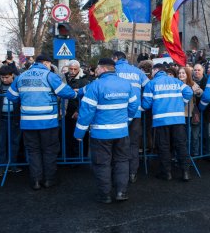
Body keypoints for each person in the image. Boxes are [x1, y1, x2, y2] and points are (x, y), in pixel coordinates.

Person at [6, 54, 77, 190]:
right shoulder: (49, 75)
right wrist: (75, 94)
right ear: (46, 63)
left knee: (33, 151)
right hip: (47, 122)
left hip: (28, 122)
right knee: (49, 151)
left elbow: (11, 96)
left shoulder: (22, 76)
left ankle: (36, 181)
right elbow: (66, 92)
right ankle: (49, 180)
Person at [74, 58, 138, 203]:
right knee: (122, 161)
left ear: (102, 69)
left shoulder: (95, 85)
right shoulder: (126, 84)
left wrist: (79, 133)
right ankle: (121, 192)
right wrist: (126, 121)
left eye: (97, 68)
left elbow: (86, 112)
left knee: (102, 163)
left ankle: (105, 195)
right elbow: (134, 106)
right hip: (121, 132)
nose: (96, 71)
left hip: (100, 134)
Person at [142, 63, 193, 182]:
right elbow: (189, 92)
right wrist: (182, 103)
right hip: (178, 119)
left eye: (152, 71)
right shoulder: (175, 81)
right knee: (181, 145)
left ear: (155, 70)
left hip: (161, 120)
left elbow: (146, 104)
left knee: (164, 147)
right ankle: (185, 172)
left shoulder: (151, 84)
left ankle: (167, 173)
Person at [112, 51, 149, 184]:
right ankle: (133, 173)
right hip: (136, 113)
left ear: (115, 58)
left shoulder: (113, 71)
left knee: (117, 144)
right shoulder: (138, 71)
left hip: (117, 113)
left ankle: (118, 173)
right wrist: (144, 104)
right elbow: (148, 86)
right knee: (133, 144)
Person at [0, 65, 22, 176]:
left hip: (15, 118)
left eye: (7, 77)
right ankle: (0, 168)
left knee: (14, 142)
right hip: (0, 118)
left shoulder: (19, 84)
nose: (4, 80)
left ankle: (13, 165)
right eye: (2, 77)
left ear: (12, 75)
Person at [63, 60, 89, 160]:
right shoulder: (64, 77)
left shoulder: (84, 79)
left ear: (79, 69)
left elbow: (87, 98)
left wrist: (78, 110)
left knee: (81, 136)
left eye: (75, 69)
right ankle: (70, 157)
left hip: (79, 111)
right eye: (71, 69)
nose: (73, 71)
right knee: (68, 135)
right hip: (67, 111)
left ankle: (81, 157)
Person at [178, 66, 203, 156]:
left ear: (187, 74)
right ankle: (183, 155)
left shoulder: (192, 84)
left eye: (183, 73)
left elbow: (200, 92)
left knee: (193, 136)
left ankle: (193, 154)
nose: (181, 75)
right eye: (180, 73)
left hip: (190, 114)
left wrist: (197, 92)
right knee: (182, 137)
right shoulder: (175, 84)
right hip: (179, 114)